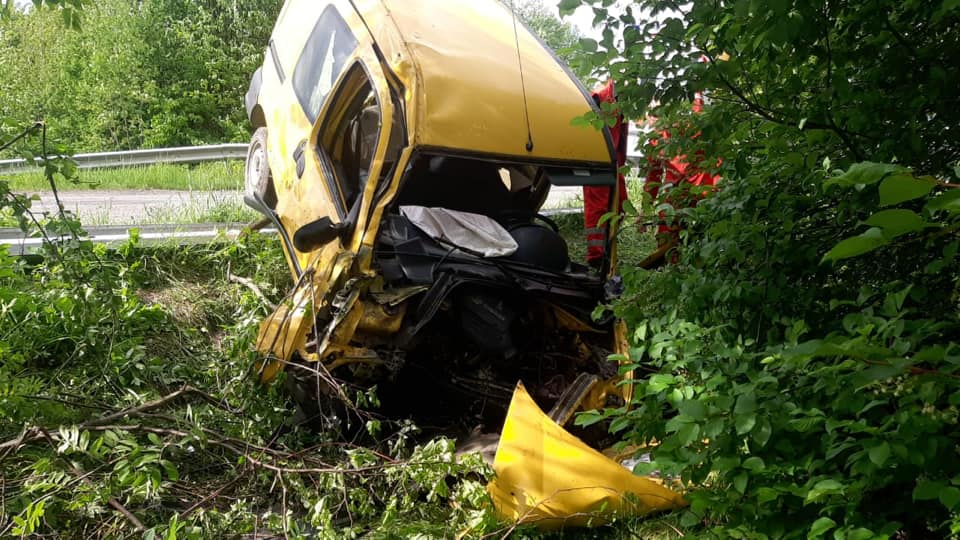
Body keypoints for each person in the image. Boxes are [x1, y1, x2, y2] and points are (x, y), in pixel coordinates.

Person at [641, 94, 720, 266]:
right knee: (671, 243)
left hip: (700, 199)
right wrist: (644, 210)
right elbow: (652, 174)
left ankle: (682, 271)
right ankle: (675, 272)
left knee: (698, 244)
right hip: (678, 200)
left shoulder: (701, 127)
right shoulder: (658, 136)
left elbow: (718, 164)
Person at [583, 79, 629, 269]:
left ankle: (609, 249)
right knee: (597, 210)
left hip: (614, 163)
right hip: (597, 163)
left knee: (619, 205)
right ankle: (597, 257)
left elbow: (622, 135)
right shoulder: (598, 98)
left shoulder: (622, 101)